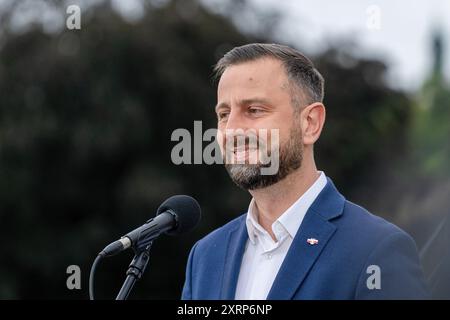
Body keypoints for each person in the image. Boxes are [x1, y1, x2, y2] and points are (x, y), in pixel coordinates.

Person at [181, 43, 430, 299]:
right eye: (224, 114)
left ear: (310, 123)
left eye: (254, 110)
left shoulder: (376, 250)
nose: (232, 129)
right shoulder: (205, 256)